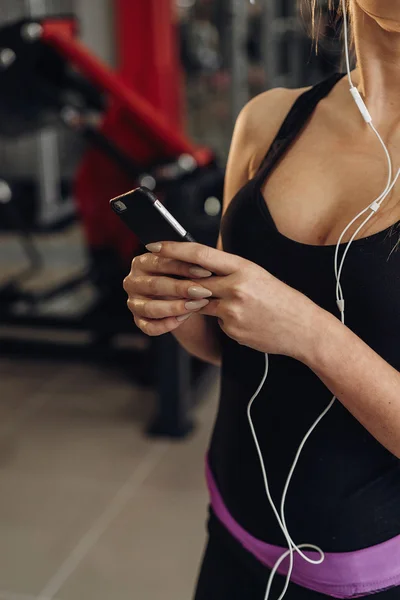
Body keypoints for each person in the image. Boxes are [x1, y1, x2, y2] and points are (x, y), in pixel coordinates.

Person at [123, 1, 400, 598]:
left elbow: (292, 329)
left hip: (370, 578)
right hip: (232, 535)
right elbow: (235, 345)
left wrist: (311, 333)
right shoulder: (269, 120)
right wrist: (174, 304)